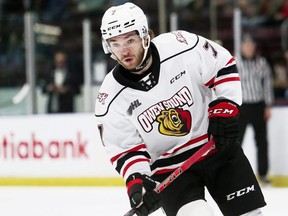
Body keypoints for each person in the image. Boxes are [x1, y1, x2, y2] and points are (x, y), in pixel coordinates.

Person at [95, 2, 266, 216]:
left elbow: (222, 65)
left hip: (215, 146)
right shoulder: (110, 96)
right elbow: (125, 149)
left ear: (145, 36)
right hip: (170, 171)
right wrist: (138, 183)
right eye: (116, 43)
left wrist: (225, 106)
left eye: (130, 40)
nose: (124, 50)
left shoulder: (180, 46)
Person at [236, 34, 274, 186]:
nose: (249, 48)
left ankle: (263, 174)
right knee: (237, 143)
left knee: (262, 142)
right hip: (242, 107)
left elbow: (267, 85)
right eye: (246, 45)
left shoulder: (262, 63)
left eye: (251, 45)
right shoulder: (235, 62)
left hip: (258, 106)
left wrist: (268, 105)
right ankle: (236, 175)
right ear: (241, 46)